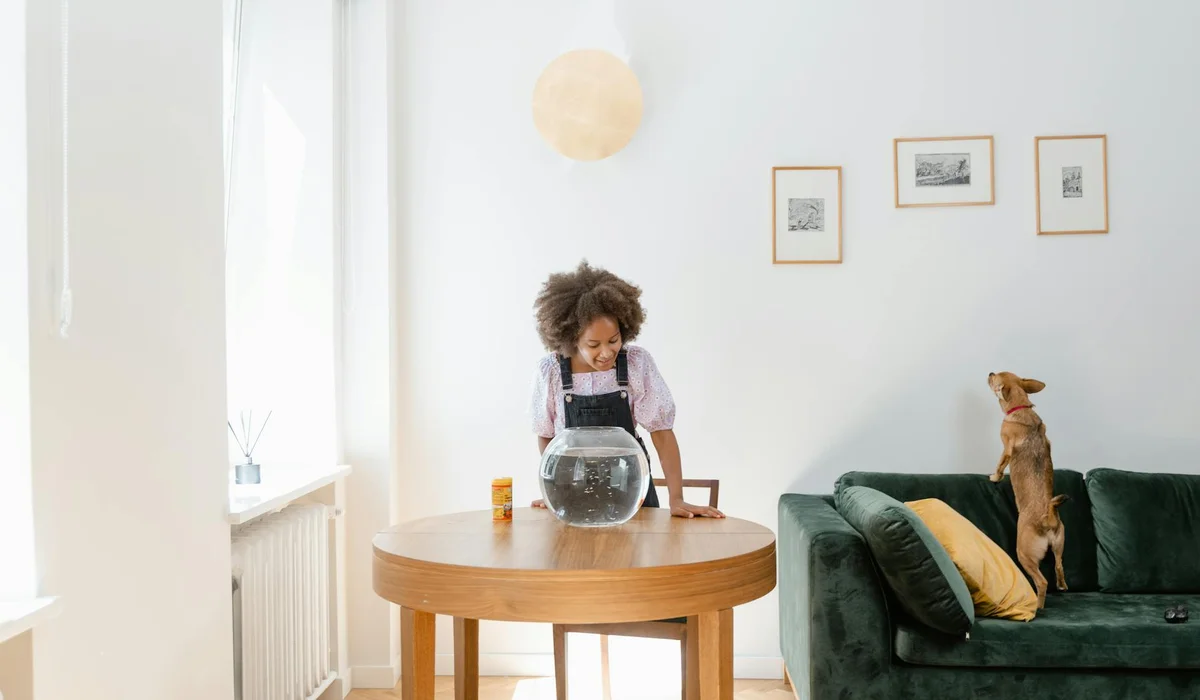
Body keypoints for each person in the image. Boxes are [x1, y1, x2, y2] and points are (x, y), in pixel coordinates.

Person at [529, 261, 724, 519]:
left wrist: (677, 498)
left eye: (613, 340)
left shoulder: (634, 364)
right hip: (572, 501)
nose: (607, 352)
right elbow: (546, 436)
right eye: (594, 344)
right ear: (571, 339)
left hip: (633, 495)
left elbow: (662, 433)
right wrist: (555, 488)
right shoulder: (551, 371)